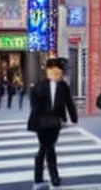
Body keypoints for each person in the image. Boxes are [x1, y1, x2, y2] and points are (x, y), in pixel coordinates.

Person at [27, 58, 78, 186]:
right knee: (47, 147)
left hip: (55, 122)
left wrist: (73, 118)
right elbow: (34, 106)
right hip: (41, 122)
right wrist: (35, 122)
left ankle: (41, 176)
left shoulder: (64, 86)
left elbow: (69, 103)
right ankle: (52, 176)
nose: (57, 74)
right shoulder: (39, 86)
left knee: (47, 147)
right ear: (48, 72)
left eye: (59, 72)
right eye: (53, 71)